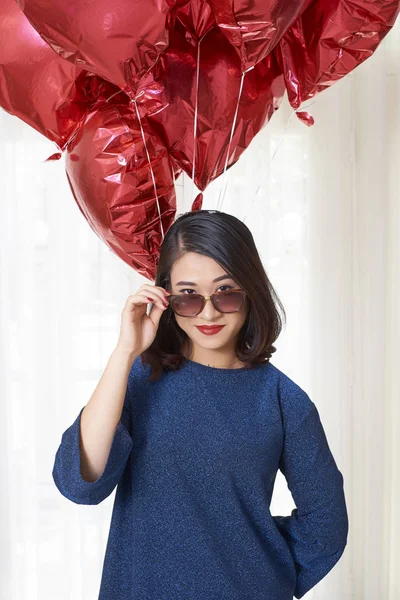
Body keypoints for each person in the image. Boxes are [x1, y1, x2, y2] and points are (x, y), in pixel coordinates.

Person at [52, 209, 349, 600]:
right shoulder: (138, 381)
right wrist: (125, 352)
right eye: (188, 297)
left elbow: (326, 524)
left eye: (226, 293)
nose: (208, 313)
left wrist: (265, 574)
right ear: (167, 298)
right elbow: (79, 484)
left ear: (251, 291)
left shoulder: (284, 402)